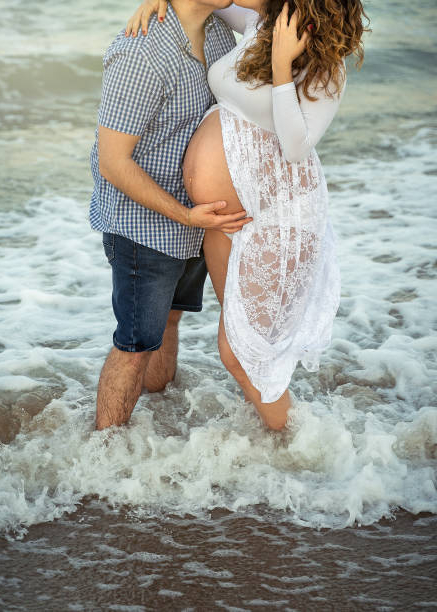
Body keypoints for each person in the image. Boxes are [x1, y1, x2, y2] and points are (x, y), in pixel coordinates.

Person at [126, 0, 368, 429]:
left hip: (277, 217)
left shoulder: (327, 69)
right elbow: (209, 5)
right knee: (241, 341)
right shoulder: (260, 23)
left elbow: (296, 146)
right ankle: (267, 442)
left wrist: (281, 68)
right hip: (228, 218)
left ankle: (300, 448)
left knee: (242, 352)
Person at [90, 0, 253, 430]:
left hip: (200, 223)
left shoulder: (219, 30)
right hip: (146, 227)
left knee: (170, 319)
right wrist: (185, 215)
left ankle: (159, 419)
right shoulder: (141, 53)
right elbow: (113, 162)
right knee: (135, 343)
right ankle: (104, 459)